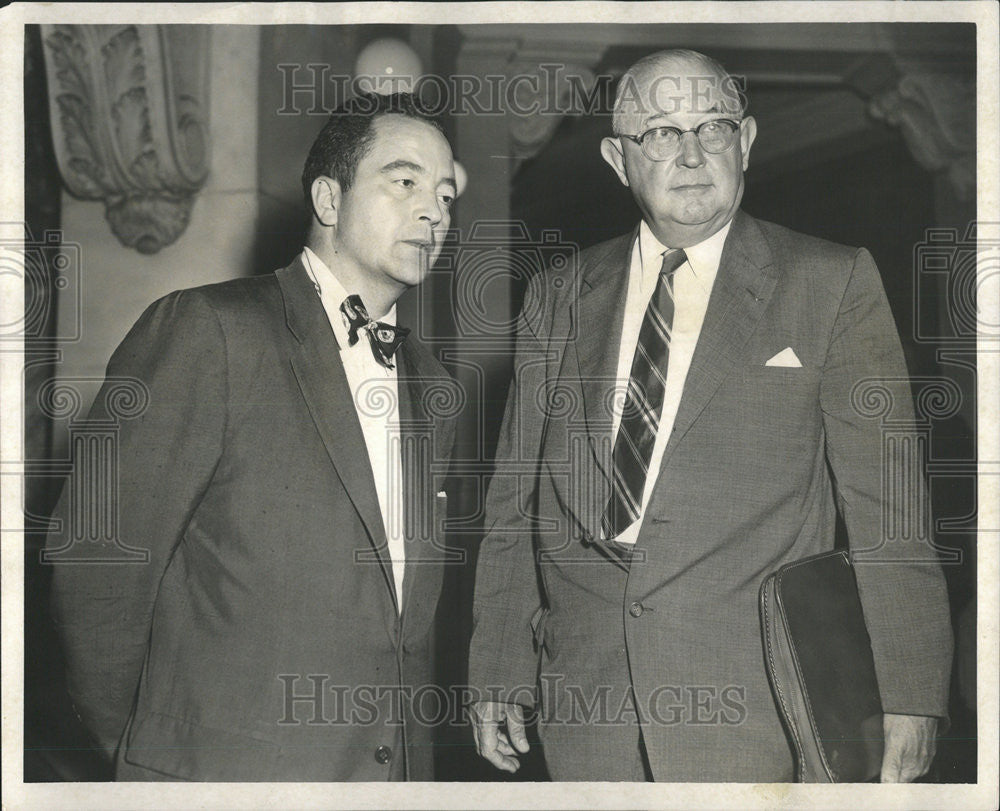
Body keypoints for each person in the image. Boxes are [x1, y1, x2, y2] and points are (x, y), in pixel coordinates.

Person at [468, 50, 953, 782]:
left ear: (747, 141)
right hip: (589, 707)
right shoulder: (559, 294)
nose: (692, 153)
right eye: (661, 131)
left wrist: (914, 695)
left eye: (713, 127)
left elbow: (891, 508)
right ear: (617, 157)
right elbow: (516, 496)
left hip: (761, 707)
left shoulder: (830, 281)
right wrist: (498, 663)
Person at [45, 93, 460, 781]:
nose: (434, 210)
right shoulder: (209, 328)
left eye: (445, 194)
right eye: (405, 180)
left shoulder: (432, 382)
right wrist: (150, 751)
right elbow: (95, 560)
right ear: (329, 197)